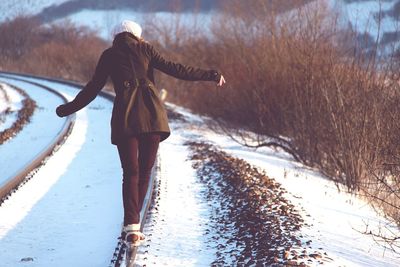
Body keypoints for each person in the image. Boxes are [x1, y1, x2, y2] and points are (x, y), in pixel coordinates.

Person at [56, 20, 226, 247]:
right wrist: (211, 75)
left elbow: (92, 89)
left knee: (131, 172)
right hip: (152, 116)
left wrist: (66, 109)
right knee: (145, 170)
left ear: (116, 36)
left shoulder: (109, 55)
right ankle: (133, 227)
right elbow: (176, 69)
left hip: (125, 118)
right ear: (137, 35)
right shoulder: (146, 49)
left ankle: (131, 226)